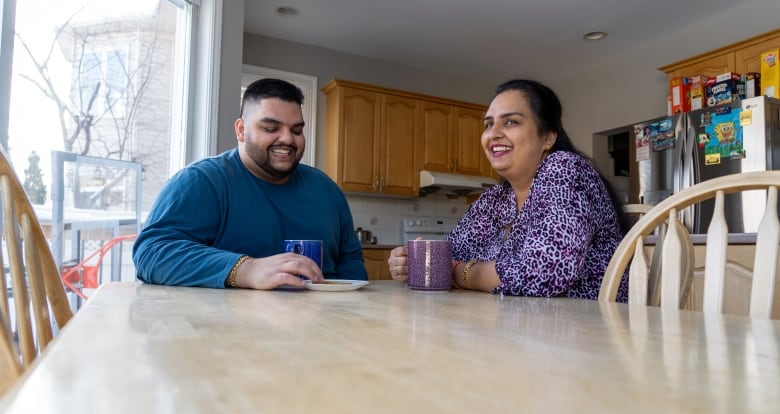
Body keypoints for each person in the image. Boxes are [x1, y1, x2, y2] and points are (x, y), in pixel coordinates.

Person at [388, 79, 628, 300]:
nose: (493, 134)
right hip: (521, 325)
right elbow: (447, 259)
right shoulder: (495, 199)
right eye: (488, 124)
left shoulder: (564, 167)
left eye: (511, 121)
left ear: (548, 137)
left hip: (591, 328)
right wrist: (409, 263)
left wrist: (461, 274)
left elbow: (544, 272)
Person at [133, 78, 367, 289]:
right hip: (229, 330)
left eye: (296, 130)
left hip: (324, 326)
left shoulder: (327, 190)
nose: (287, 138)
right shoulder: (201, 181)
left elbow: (350, 260)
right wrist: (247, 269)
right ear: (241, 130)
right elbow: (151, 254)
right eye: (270, 128)